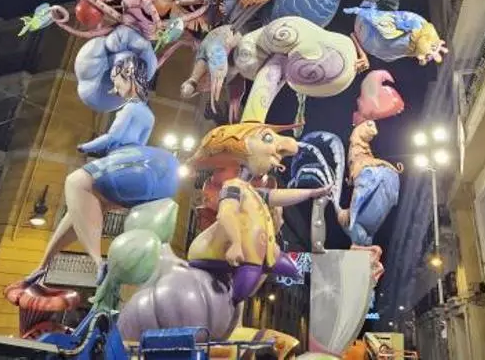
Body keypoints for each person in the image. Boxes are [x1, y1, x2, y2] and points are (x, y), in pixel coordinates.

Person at [21, 54, 178, 286]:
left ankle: (97, 262)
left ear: (129, 76)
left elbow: (113, 137)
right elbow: (141, 142)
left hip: (124, 160)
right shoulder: (149, 115)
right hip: (140, 167)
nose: (115, 88)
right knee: (77, 213)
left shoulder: (129, 109)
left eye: (117, 81)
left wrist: (86, 146)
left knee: (76, 181)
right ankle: (42, 267)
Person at [185, 122, 330, 303]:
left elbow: (277, 196)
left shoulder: (252, 192)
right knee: (235, 297)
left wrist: (311, 193)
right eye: (267, 138)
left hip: (258, 255)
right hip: (230, 254)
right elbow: (226, 214)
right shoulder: (233, 186)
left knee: (244, 292)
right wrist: (235, 243)